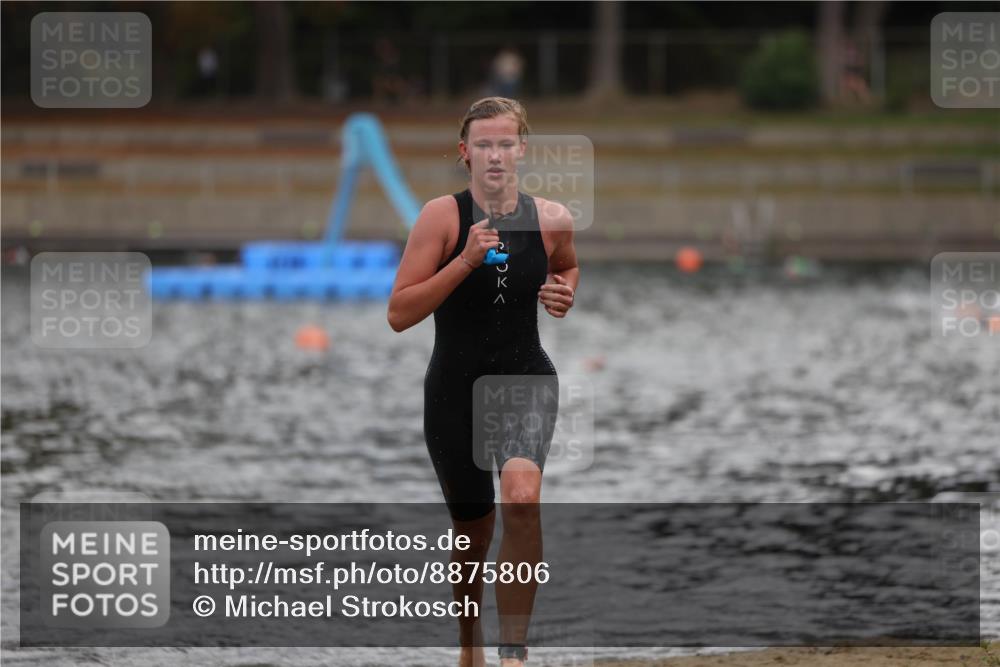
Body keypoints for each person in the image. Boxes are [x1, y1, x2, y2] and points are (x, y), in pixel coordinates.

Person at [387, 97, 579, 667]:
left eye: (506, 143)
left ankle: (513, 654)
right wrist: (465, 261)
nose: (495, 155)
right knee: (472, 533)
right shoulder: (441, 218)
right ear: (464, 152)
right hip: (454, 389)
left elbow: (566, 264)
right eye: (484, 144)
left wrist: (565, 292)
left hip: (525, 376)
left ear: (522, 149)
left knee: (522, 499)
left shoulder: (552, 218)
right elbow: (399, 313)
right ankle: (469, 647)